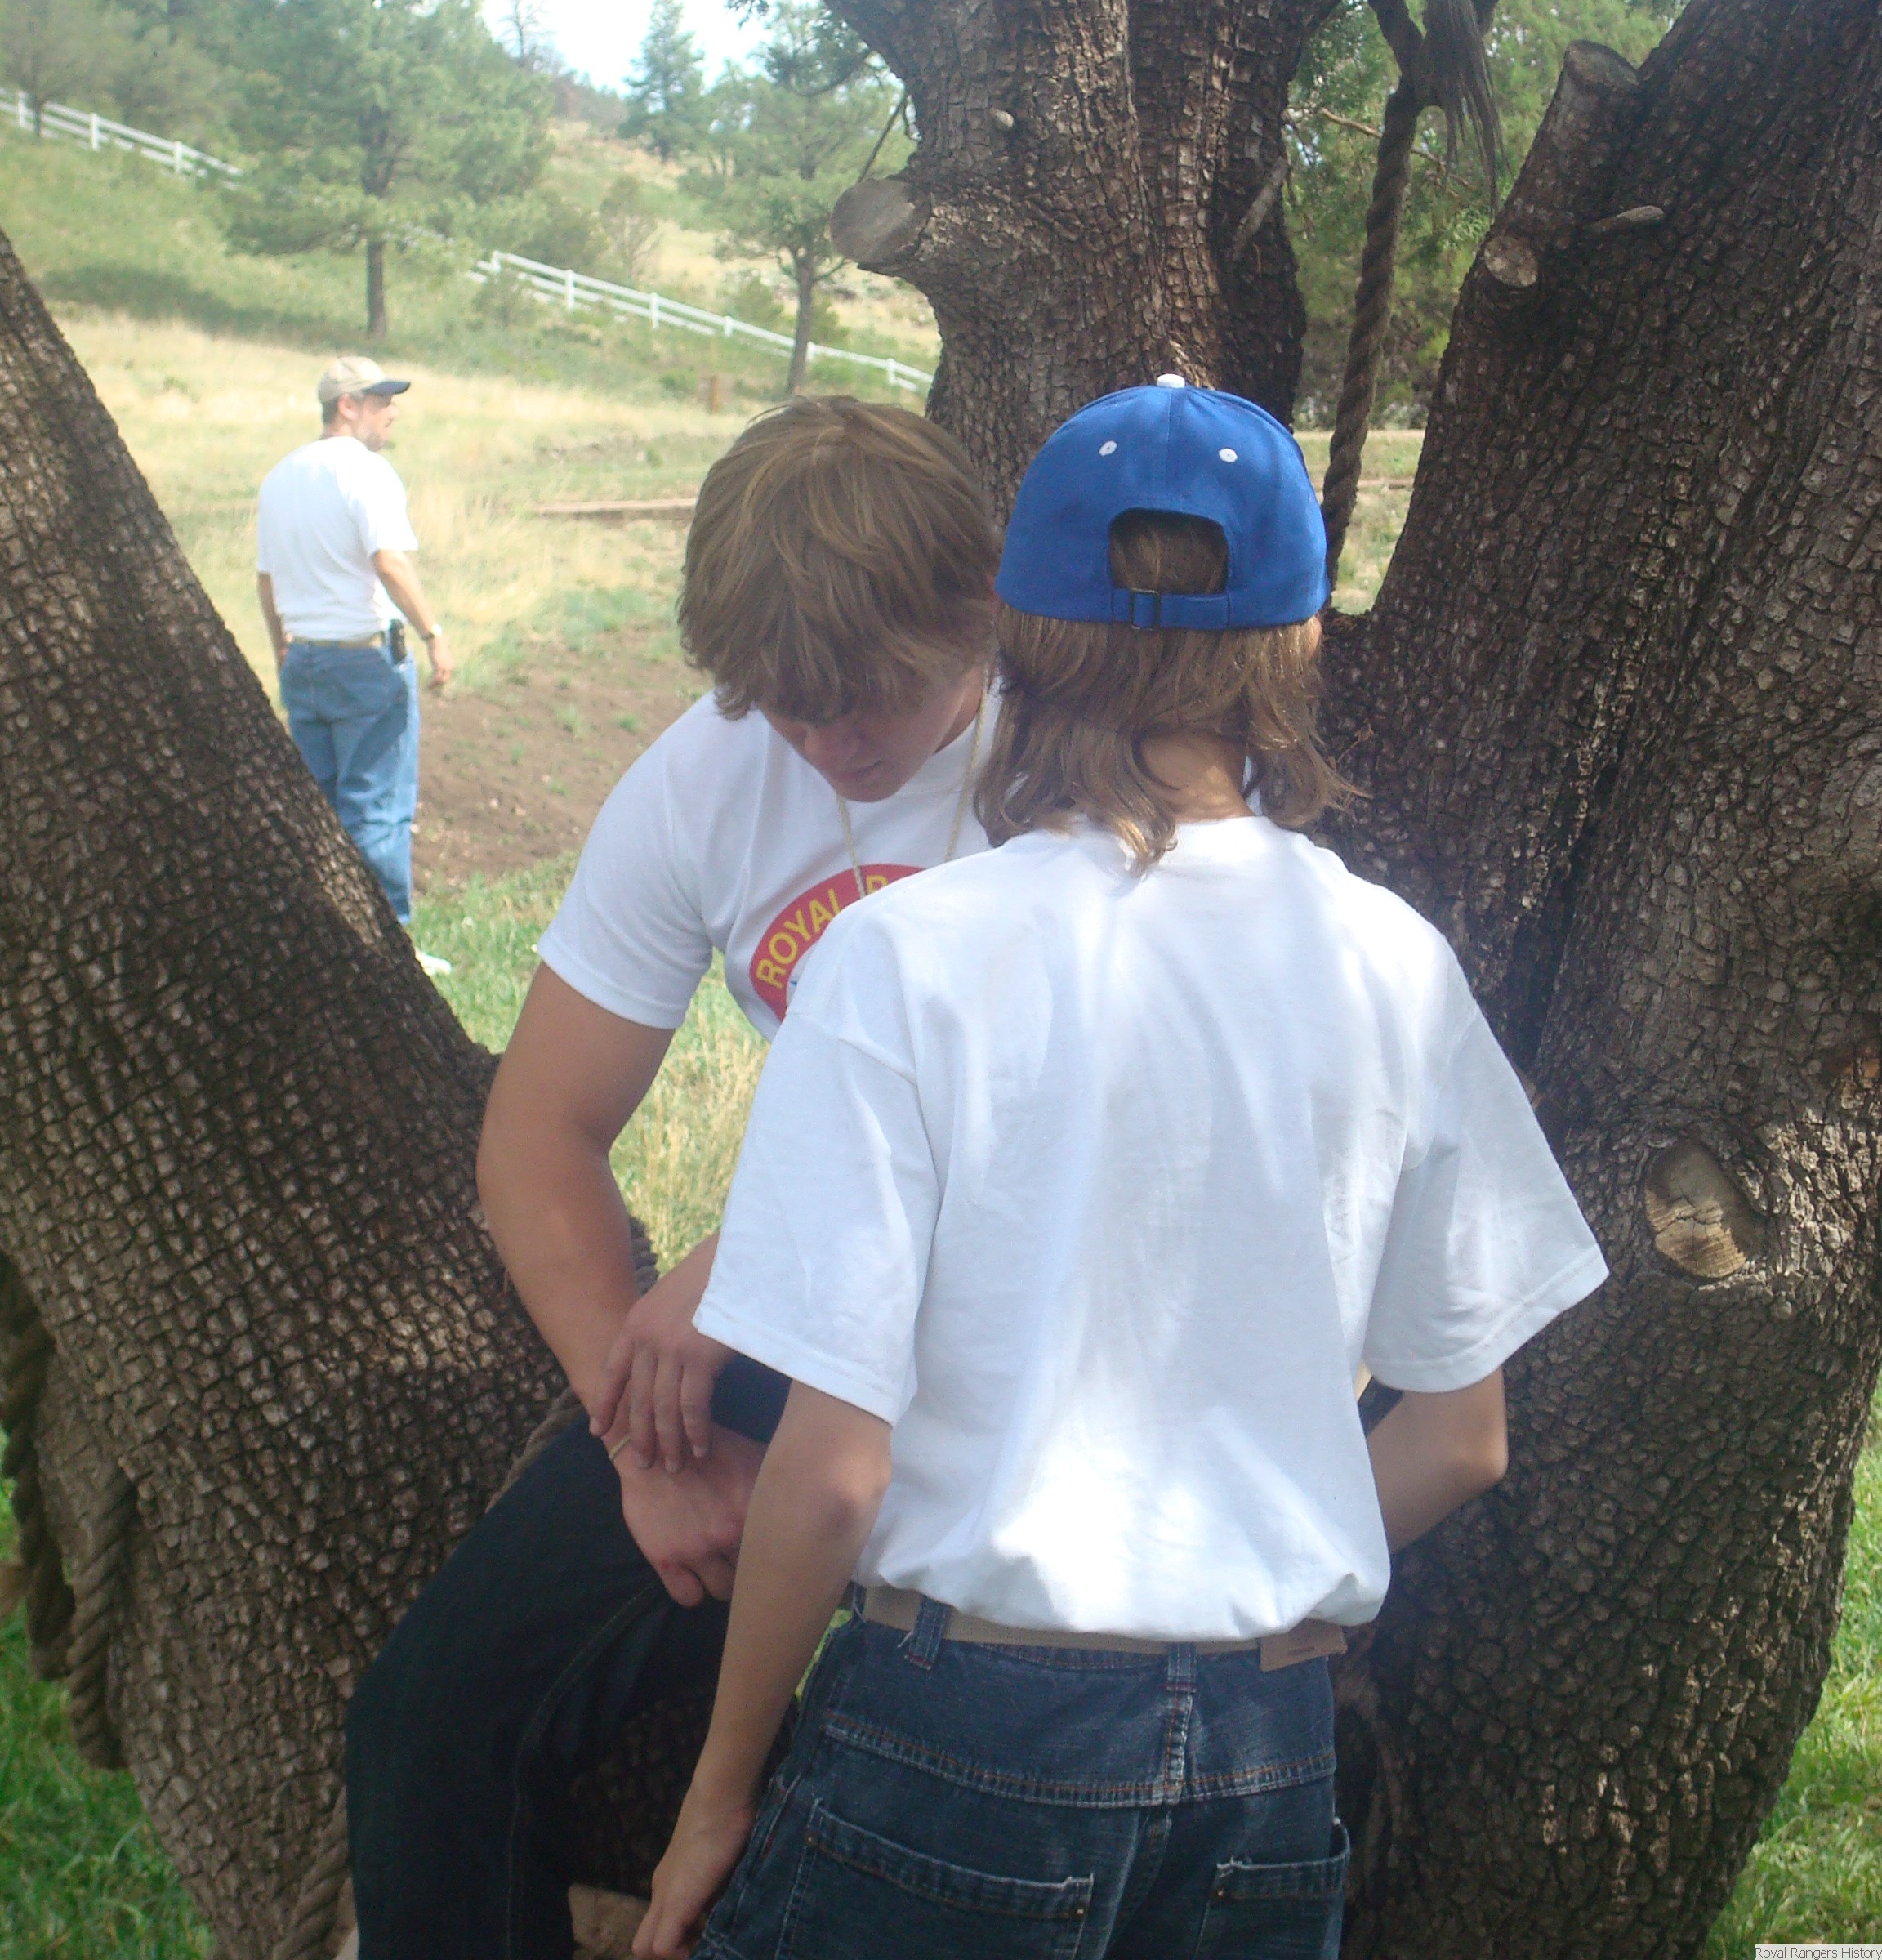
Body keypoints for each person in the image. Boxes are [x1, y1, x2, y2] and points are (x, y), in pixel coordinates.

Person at [636, 377, 1610, 1960]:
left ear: (1015, 637)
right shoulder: (1391, 963)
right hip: (1264, 1759)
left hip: (963, 1736)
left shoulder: (902, 962)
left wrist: (717, 1793)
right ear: (1296, 646)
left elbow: (832, 1471)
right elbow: (1461, 1435)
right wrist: (1227, 1581)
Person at [344, 395, 1002, 1959]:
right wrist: (638, 1434)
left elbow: (1107, 1115)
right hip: (801, 1321)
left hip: (1044, 1331)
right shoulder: (707, 773)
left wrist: (743, 1253)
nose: (831, 748)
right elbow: (538, 1130)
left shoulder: (1079, 749)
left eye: (871, 699)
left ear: (976, 611)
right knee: (429, 1729)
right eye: (786, 709)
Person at [256, 355, 453, 926]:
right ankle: (388, 946)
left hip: (304, 660)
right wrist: (433, 634)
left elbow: (266, 581)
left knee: (318, 811)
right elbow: (390, 563)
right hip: (365, 662)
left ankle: (323, 934)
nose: (392, 413)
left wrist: (281, 649)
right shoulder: (366, 472)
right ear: (347, 406)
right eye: (381, 401)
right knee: (376, 810)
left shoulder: (280, 476)